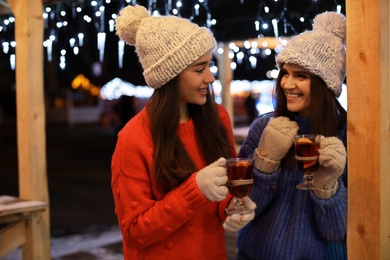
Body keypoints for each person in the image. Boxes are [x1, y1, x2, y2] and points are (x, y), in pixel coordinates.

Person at [111, 5, 256, 259]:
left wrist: (235, 207)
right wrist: (195, 190)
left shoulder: (217, 117)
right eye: (199, 69)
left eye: (209, 66)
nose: (210, 78)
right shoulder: (133, 138)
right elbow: (134, 232)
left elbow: (223, 192)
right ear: (169, 76)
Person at [235, 11, 348, 259]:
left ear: (325, 83)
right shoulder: (263, 127)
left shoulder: (347, 136)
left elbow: (336, 232)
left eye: (301, 75)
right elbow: (240, 211)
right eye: (285, 72)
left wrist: (327, 184)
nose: (287, 84)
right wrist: (265, 163)